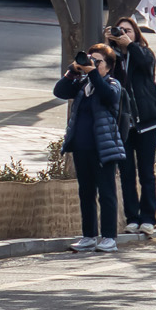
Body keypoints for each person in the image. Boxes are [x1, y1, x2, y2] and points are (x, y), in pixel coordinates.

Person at [55, 42, 128, 252]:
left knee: (106, 192)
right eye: (90, 59)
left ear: (108, 66)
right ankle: (88, 236)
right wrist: (72, 72)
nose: (93, 64)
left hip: (103, 149)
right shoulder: (82, 84)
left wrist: (92, 72)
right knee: (85, 192)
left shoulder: (112, 84)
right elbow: (59, 91)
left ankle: (109, 238)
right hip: (81, 147)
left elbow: (108, 96)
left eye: (98, 61)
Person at [108, 15, 156, 232]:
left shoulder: (143, 52)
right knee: (126, 173)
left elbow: (146, 64)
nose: (123, 34)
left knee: (146, 172)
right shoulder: (110, 58)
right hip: (124, 124)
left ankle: (148, 218)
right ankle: (132, 218)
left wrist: (130, 46)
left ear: (136, 34)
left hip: (148, 122)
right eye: (120, 30)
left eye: (128, 30)